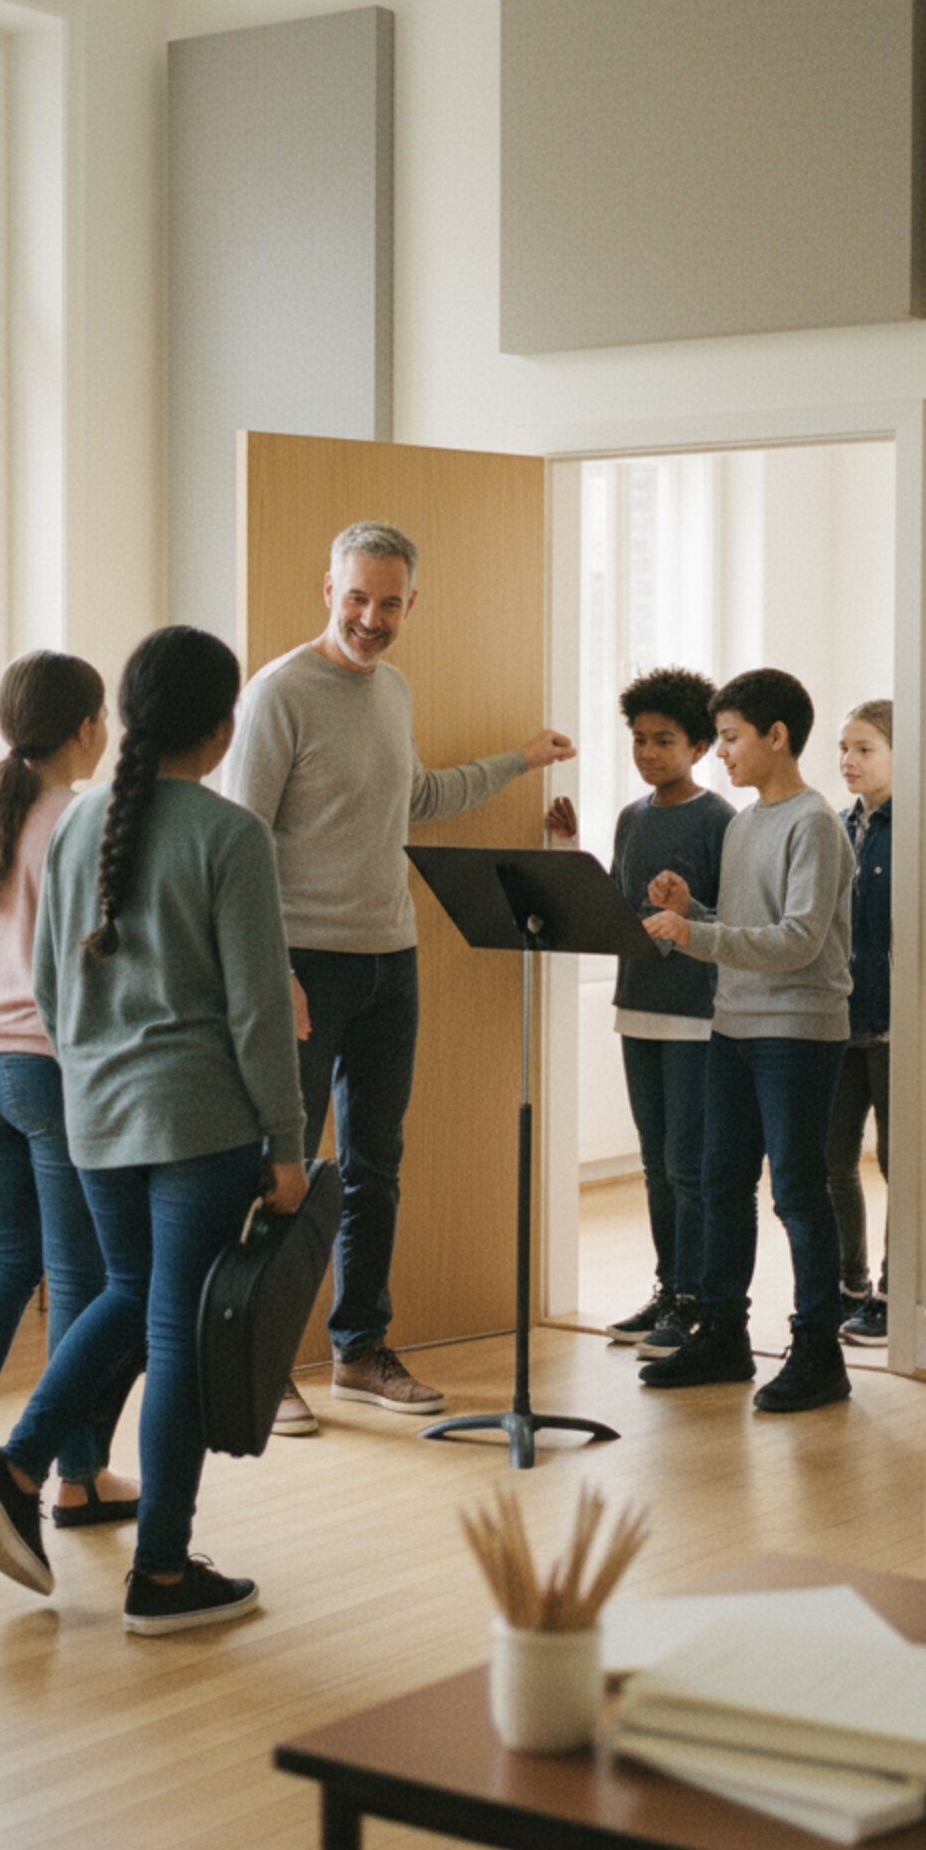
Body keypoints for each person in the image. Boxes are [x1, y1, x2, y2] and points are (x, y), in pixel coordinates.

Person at [0, 626, 307, 1634]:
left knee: (123, 1290)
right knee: (173, 1331)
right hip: (199, 1121)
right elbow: (256, 1011)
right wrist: (283, 1144)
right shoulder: (228, 835)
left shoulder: (75, 822)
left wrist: (98, 1080)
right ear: (224, 722)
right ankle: (158, 1572)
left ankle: (15, 1467)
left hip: (95, 1114)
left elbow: (54, 991)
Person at [222, 520, 574, 1433]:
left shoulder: (394, 689)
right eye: (355, 599)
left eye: (388, 603)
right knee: (283, 1172)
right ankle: (267, 1364)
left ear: (411, 603)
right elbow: (239, 842)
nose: (370, 618)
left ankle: (358, 1349)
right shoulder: (278, 694)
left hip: (391, 960)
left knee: (377, 1166)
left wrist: (520, 763)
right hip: (301, 964)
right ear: (327, 590)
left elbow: (414, 797)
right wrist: (268, 973)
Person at [0, 651, 141, 1532]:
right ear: (83, 728)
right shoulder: (79, 823)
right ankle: (78, 1478)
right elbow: (101, 962)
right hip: (49, 1071)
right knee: (78, 1275)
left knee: (4, 1265)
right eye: (102, 721)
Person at [637, 667, 854, 1413]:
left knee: (797, 1189)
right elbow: (745, 924)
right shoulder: (746, 822)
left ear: (777, 736)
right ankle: (724, 1334)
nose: (720, 753)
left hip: (796, 1029)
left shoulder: (814, 823)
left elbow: (795, 941)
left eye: (729, 738)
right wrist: (689, 904)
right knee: (722, 1179)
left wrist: (694, 932)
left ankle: (820, 1350)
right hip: (733, 1024)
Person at [543, 667, 733, 1360]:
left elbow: (730, 924)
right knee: (657, 1166)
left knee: (688, 1166)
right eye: (640, 740)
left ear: (702, 746)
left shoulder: (719, 821)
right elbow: (622, 913)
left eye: (665, 740)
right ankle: (667, 1288)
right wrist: (573, 853)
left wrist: (689, 909)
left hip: (695, 1016)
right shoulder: (632, 817)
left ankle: (695, 1302)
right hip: (638, 1010)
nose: (650, 753)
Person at [831, 700, 894, 1348]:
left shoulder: (913, 827)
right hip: (838, 1019)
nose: (848, 760)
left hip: (895, 1026)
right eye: (843, 748)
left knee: (896, 1163)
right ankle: (846, 1283)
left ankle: (891, 1292)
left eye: (865, 748)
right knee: (831, 1161)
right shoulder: (839, 826)